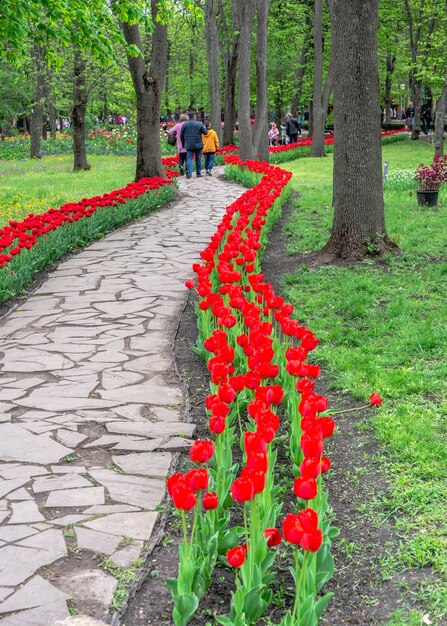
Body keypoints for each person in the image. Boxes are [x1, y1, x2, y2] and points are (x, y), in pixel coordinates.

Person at [180, 111, 208, 178]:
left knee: (189, 158)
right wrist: (204, 127)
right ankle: (198, 173)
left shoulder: (185, 124)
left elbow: (181, 135)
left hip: (189, 145)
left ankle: (189, 173)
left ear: (189, 116)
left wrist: (184, 143)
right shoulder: (199, 124)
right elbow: (205, 132)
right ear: (194, 116)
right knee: (198, 158)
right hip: (198, 144)